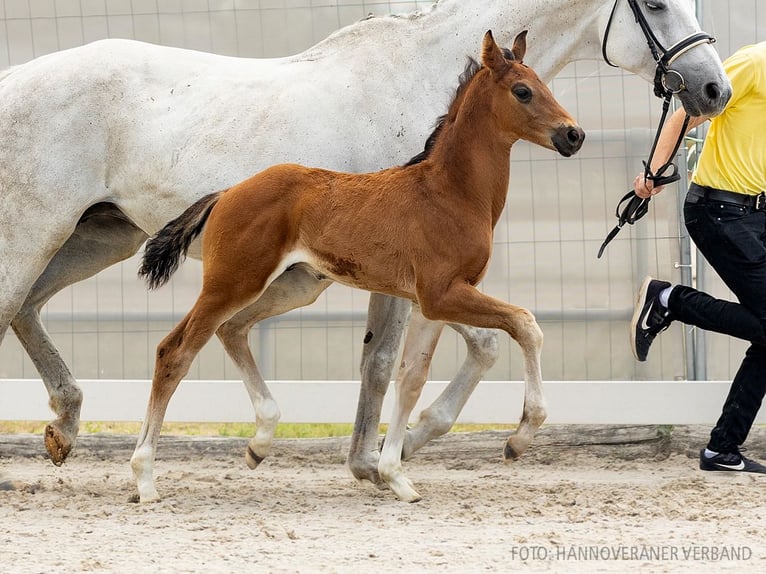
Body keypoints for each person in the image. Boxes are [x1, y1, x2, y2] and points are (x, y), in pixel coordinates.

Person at [631, 40, 766, 474]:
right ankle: (669, 300)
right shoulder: (754, 64)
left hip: (757, 214)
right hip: (720, 211)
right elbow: (685, 114)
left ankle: (722, 450)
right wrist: (654, 170)